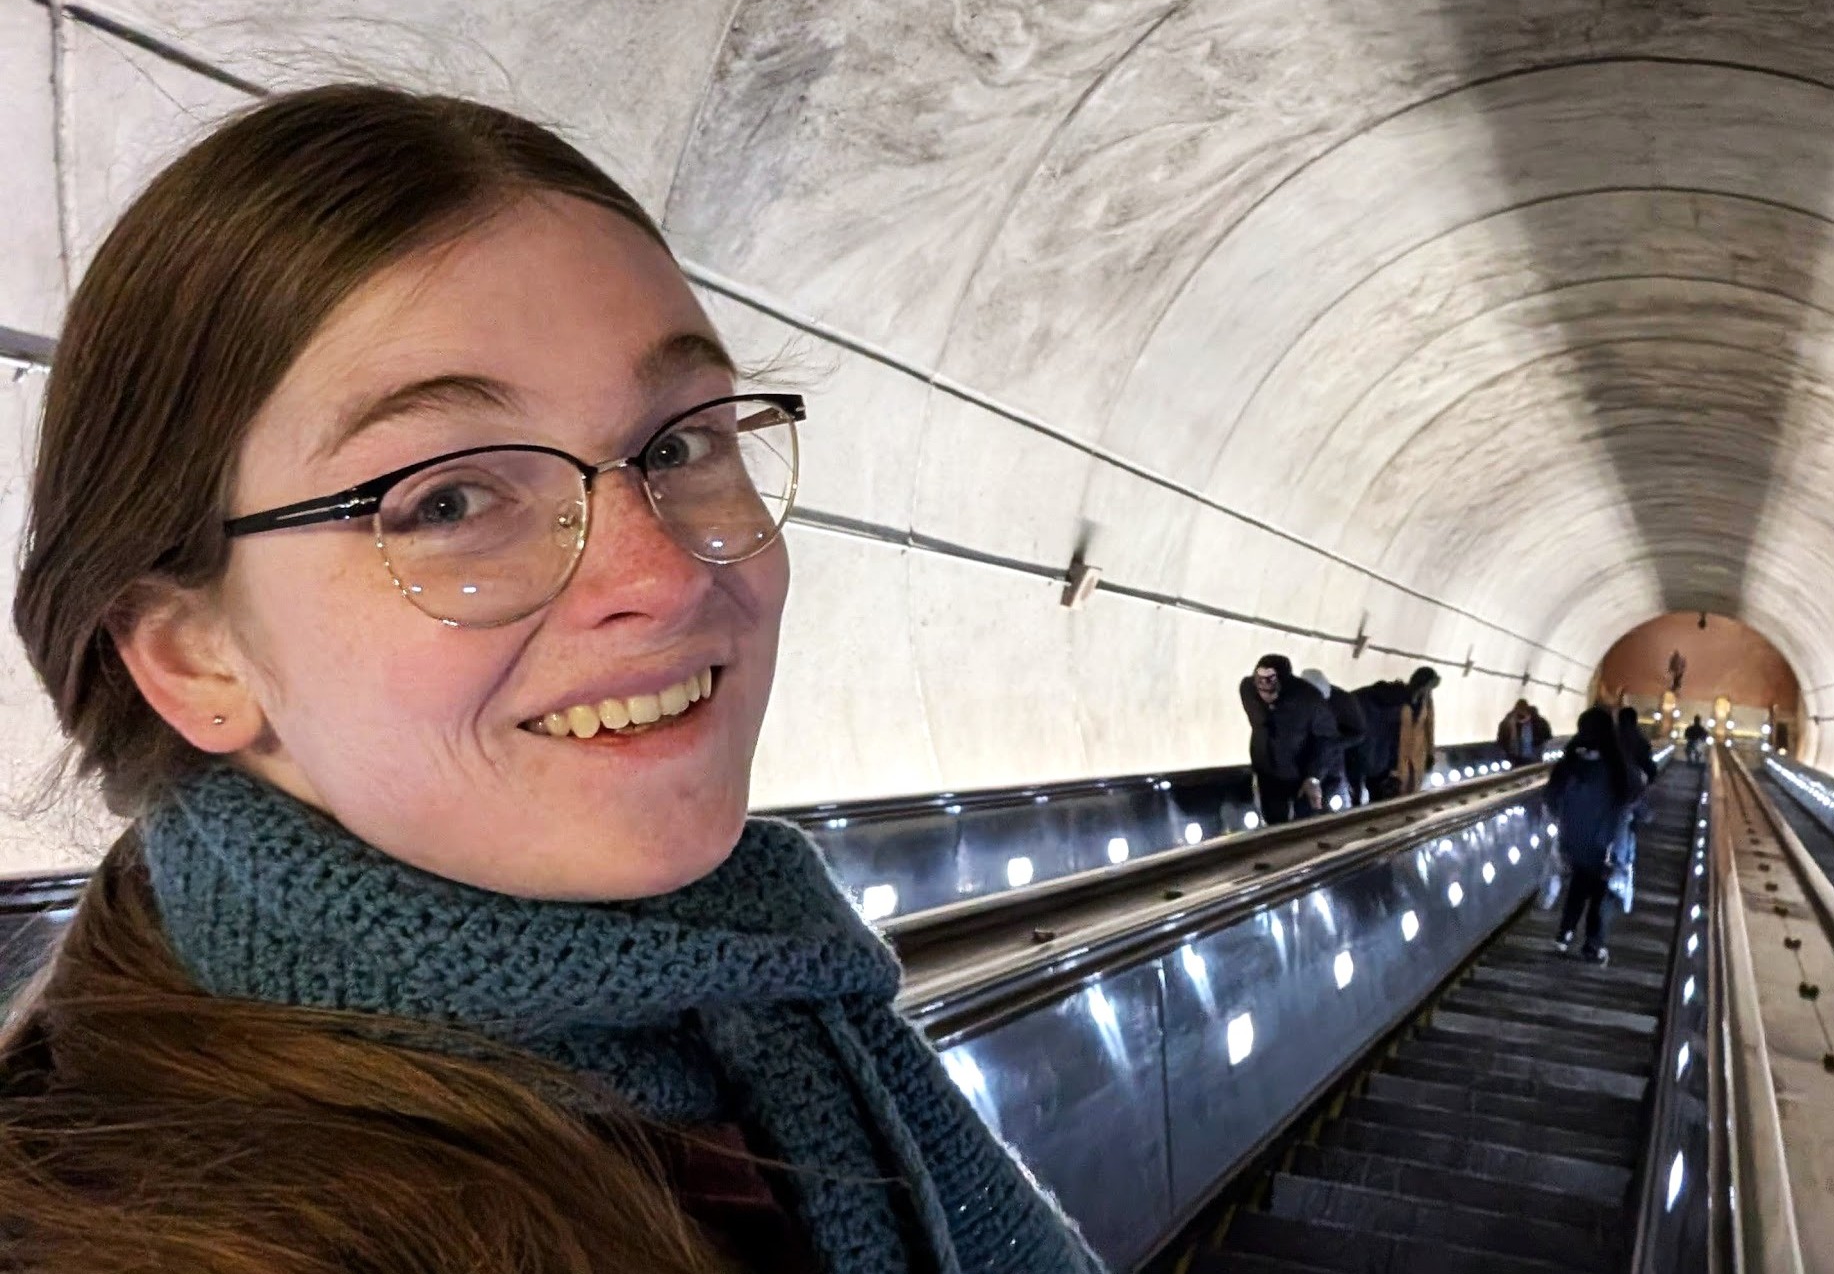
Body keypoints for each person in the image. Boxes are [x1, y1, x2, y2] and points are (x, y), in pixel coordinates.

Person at [0, 86, 1102, 1273]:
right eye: (450, 500)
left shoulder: (765, 1019)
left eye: (680, 445)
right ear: (191, 654)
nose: (664, 574)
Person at [1545, 709, 1646, 966]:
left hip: (1574, 841)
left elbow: (1551, 796)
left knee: (1579, 886)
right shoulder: (1617, 764)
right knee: (1603, 894)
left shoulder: (1569, 762)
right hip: (1607, 843)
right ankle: (1593, 944)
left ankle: (1564, 934)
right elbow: (1635, 798)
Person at [1239, 655, 1339, 823]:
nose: (1266, 697)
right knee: (1273, 822)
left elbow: (1326, 738)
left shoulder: (1309, 699)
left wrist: (1314, 776)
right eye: (1261, 692)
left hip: (1300, 773)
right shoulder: (1247, 690)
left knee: (1304, 823)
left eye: (1272, 691)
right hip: (1267, 771)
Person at [1299, 669, 1367, 809]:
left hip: (1334, 764)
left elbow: (1359, 732)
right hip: (1310, 766)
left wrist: (1334, 744)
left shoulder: (1344, 702)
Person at [1394, 666, 1440, 794]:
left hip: (1418, 755)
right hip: (1399, 755)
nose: (1429, 691)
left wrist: (1431, 753)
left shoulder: (1426, 703)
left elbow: (1429, 728)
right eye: (1429, 687)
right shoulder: (1400, 699)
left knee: (1412, 792)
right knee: (1398, 793)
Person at [1496, 699, 1552, 766]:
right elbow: (1548, 736)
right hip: (1520, 757)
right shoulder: (1508, 723)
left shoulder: (1538, 721)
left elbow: (1500, 740)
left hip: (1521, 756)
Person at [1615, 706, 1661, 784]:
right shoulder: (1639, 738)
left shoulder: (1610, 735)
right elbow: (1647, 763)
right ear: (1635, 720)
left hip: (1611, 778)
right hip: (1633, 779)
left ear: (1619, 719)